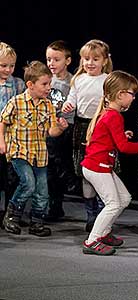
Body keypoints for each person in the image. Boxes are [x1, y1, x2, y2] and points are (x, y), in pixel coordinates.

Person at [81, 70, 138, 255]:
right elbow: (123, 148)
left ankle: (104, 232)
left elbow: (109, 140)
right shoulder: (114, 116)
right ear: (120, 94)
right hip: (97, 167)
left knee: (124, 199)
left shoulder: (109, 114)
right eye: (132, 94)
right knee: (113, 203)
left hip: (100, 165)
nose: (133, 98)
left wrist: (122, 136)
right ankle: (92, 241)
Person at [0, 61, 68, 236]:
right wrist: (2, 142)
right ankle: (12, 215)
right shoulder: (16, 102)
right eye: (44, 84)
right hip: (19, 151)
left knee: (42, 191)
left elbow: (51, 131)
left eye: (49, 84)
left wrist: (60, 128)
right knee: (28, 183)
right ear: (30, 85)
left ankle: (37, 222)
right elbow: (3, 122)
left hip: (39, 154)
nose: (48, 88)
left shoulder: (48, 106)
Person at [62, 39, 112, 232]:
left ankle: (102, 212)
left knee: (103, 171)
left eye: (95, 59)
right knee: (86, 174)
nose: (90, 63)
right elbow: (72, 100)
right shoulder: (78, 79)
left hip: (101, 127)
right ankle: (91, 215)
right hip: (82, 128)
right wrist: (68, 105)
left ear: (105, 61)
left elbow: (112, 104)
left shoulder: (108, 80)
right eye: (86, 59)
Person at [45, 40, 77, 220]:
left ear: (68, 60)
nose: (51, 63)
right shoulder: (46, 79)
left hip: (68, 126)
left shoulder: (73, 81)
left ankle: (70, 179)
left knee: (61, 160)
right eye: (49, 59)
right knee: (50, 168)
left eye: (56, 59)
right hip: (50, 127)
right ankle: (54, 206)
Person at [0, 42, 25, 215]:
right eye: (3, 65)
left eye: (12, 65)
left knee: (12, 177)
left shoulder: (18, 84)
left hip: (12, 138)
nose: (8, 70)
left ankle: (10, 213)